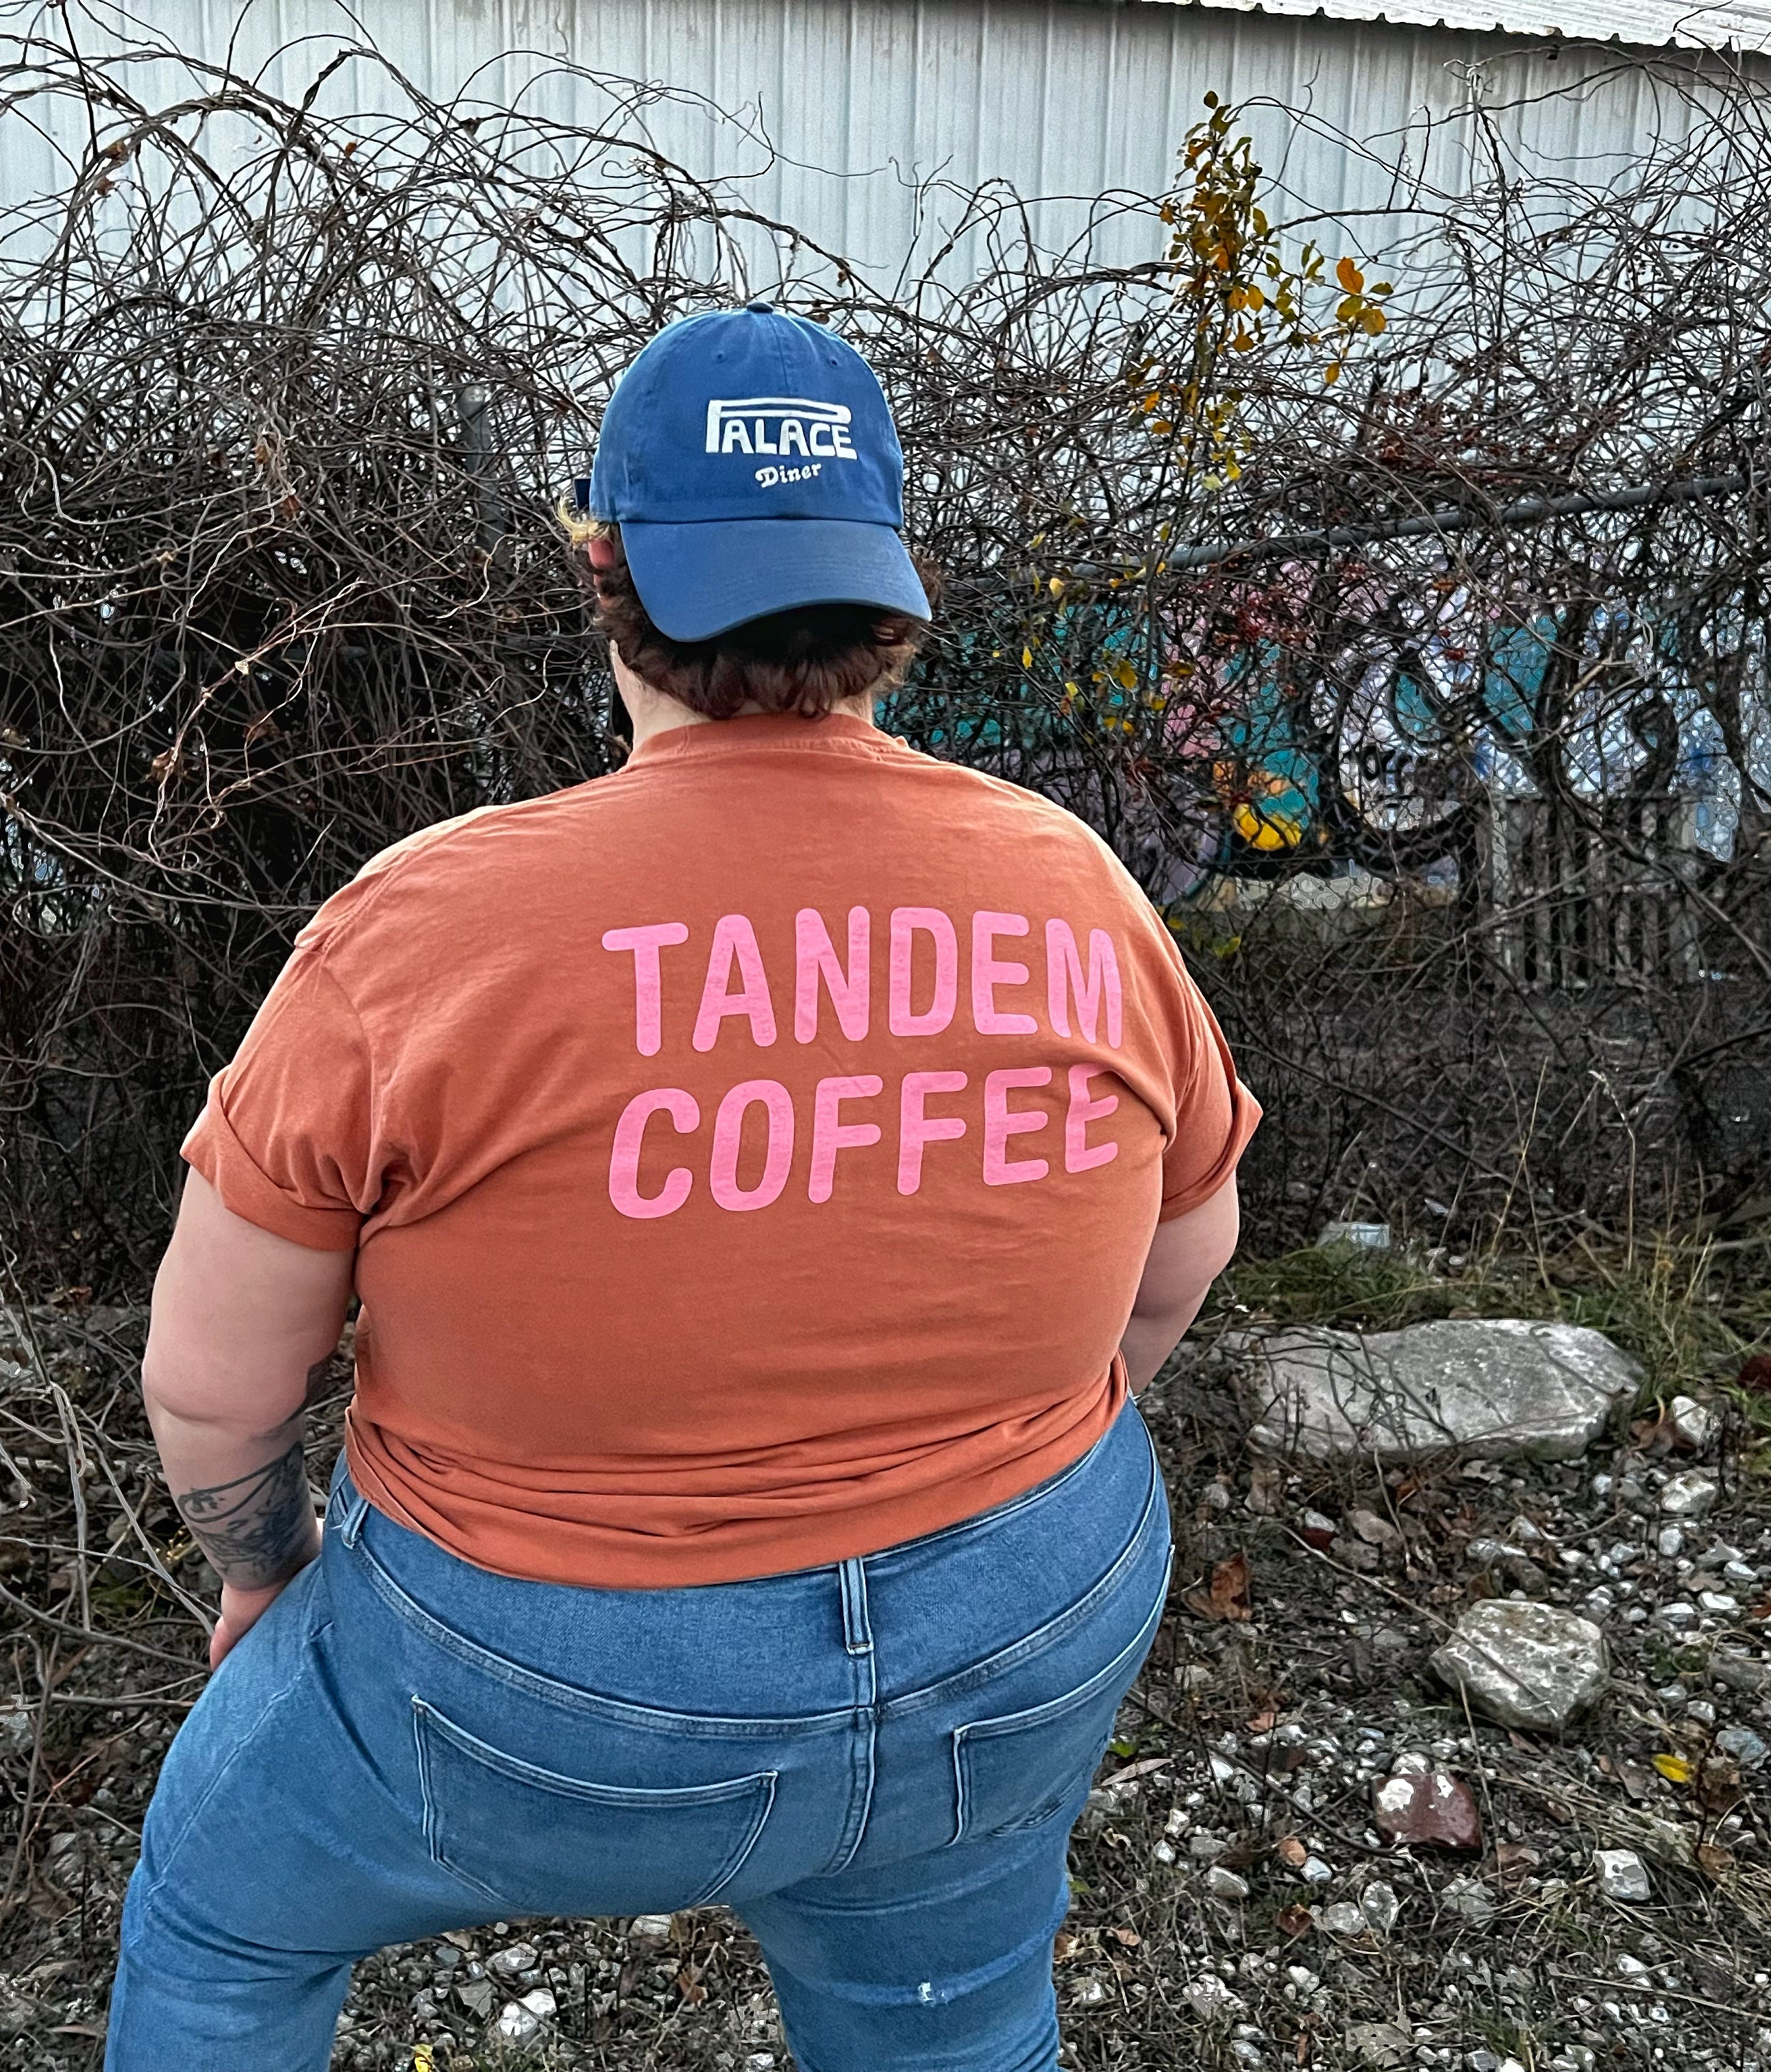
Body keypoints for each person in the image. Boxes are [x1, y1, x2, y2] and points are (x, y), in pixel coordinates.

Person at [106, 304, 1259, 2072]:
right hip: (1021, 1630)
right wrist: (992, 1476)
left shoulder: (423, 927)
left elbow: (212, 1384)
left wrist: (268, 1575)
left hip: (536, 1689)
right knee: (942, 2017)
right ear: (891, 598)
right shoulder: (1070, 882)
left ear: (600, 569)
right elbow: (1183, 1256)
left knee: (216, 1920)